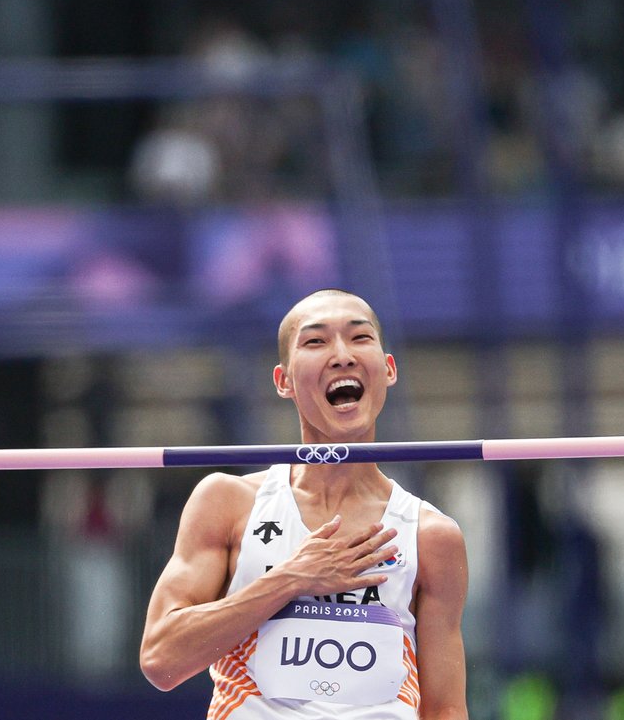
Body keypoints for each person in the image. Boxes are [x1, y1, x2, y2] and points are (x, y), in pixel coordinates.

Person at [141, 289, 469, 719]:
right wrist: (291, 580)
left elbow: (445, 708)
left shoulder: (431, 536)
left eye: (360, 338)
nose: (342, 355)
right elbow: (162, 661)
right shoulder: (228, 502)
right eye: (316, 342)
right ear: (284, 381)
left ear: (388, 370)